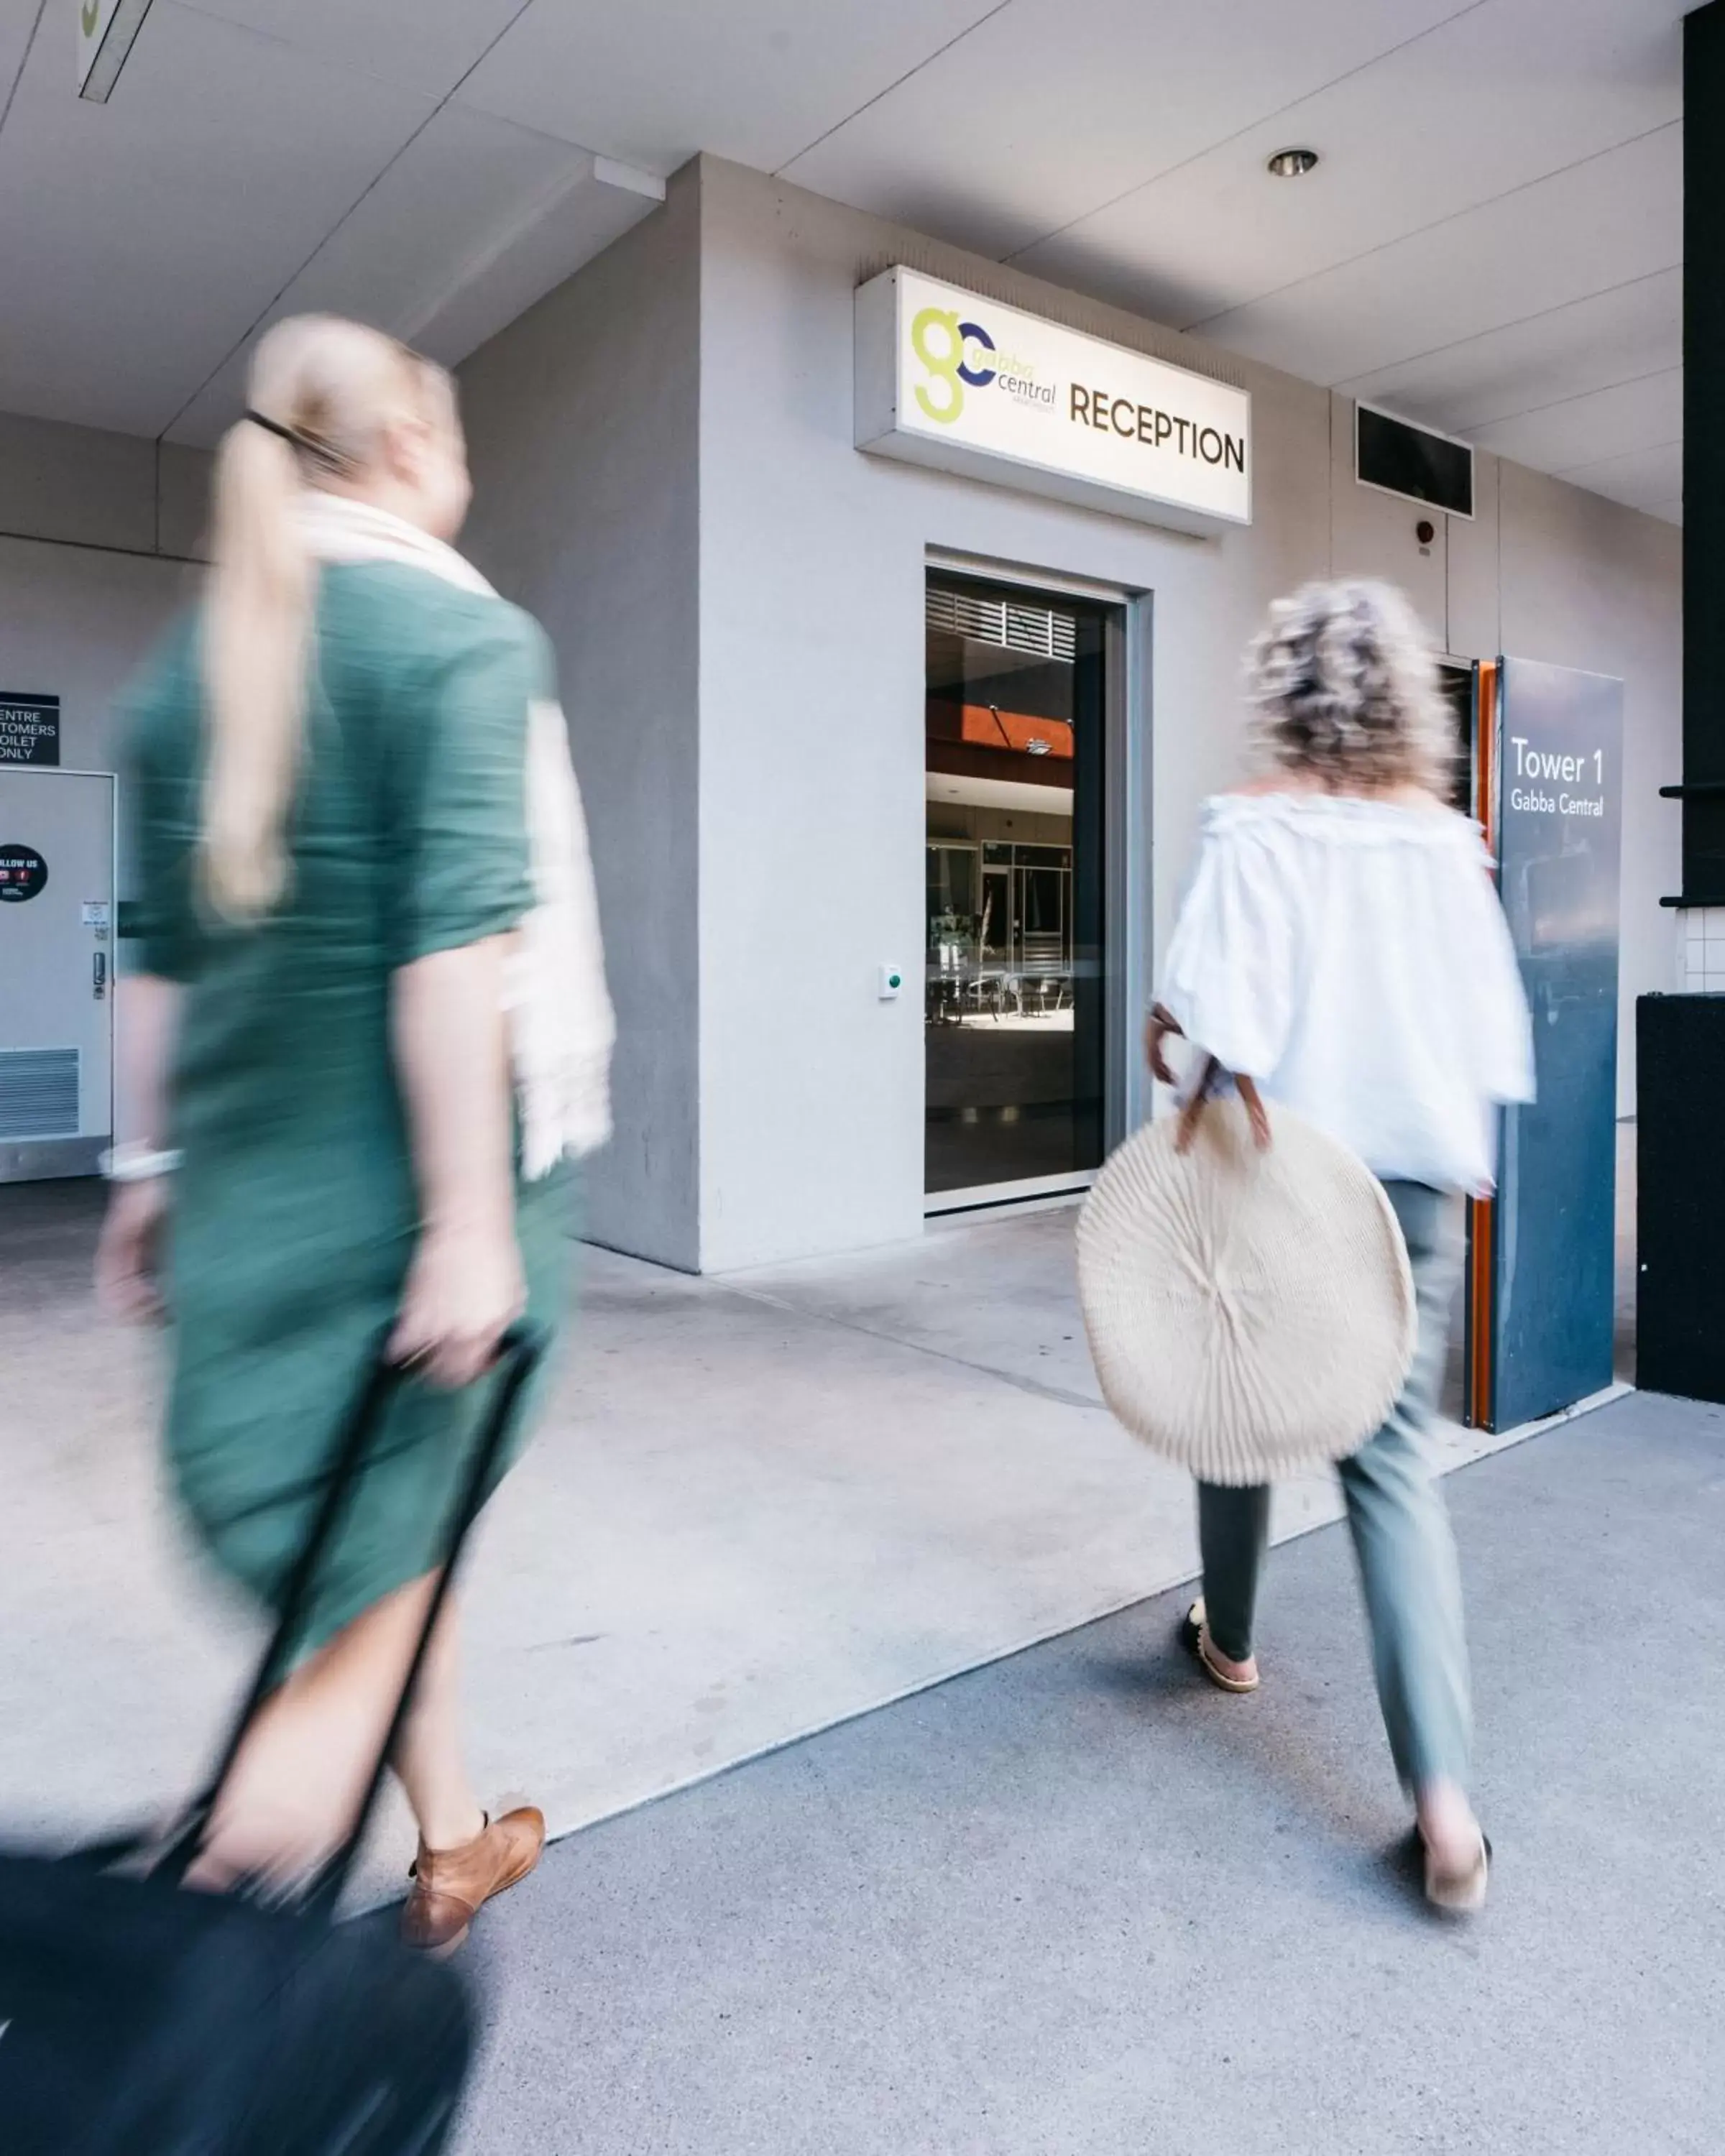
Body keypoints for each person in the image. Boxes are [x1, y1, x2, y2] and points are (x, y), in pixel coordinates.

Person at [95, 314, 614, 1953]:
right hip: (417, 1204)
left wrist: (141, 1179)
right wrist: (468, 1222)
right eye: (455, 437)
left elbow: (156, 961)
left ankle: (454, 1840)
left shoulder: (199, 661)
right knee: (374, 1593)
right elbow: (450, 951)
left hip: (252, 1199)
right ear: (402, 453)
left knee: (391, 1542)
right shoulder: (459, 645)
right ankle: (141, 2003)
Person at [1146, 577, 1532, 1914]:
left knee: (1237, 1410)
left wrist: (1172, 1039)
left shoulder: (1253, 829)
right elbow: (1492, 1036)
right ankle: (1445, 1808)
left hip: (1283, 1181)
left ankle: (1234, 1639)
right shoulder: (1447, 842)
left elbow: (1223, 1028)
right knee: (1394, 1473)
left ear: (1284, 692)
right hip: (1414, 1192)